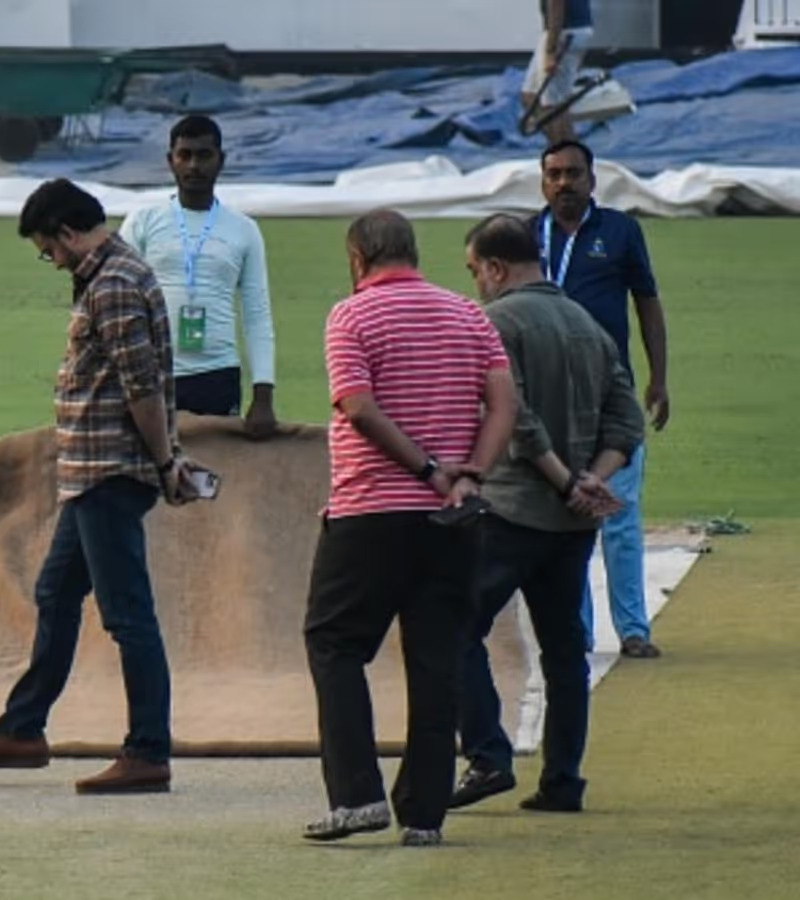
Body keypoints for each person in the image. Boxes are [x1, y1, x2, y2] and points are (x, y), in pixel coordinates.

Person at [0, 178, 204, 794]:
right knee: (56, 593)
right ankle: (22, 729)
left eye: (49, 250)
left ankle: (148, 750)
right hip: (92, 472)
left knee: (128, 615)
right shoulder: (113, 274)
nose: (53, 261)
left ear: (67, 233)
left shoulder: (114, 285)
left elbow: (141, 386)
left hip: (108, 471)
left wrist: (166, 462)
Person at [302, 210, 516, 847]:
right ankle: (424, 814)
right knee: (436, 660)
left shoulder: (351, 316)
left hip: (370, 511)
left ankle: (356, 796)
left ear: (357, 258)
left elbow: (359, 407)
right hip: (453, 518)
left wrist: (426, 467)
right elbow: (504, 404)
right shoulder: (468, 314)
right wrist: (470, 473)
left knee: (335, 644)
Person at [452, 214, 645, 815]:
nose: (476, 284)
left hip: (513, 509)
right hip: (573, 525)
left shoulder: (494, 322)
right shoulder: (587, 324)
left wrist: (565, 482)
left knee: (453, 628)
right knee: (565, 651)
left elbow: (518, 420)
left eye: (474, 271)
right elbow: (627, 421)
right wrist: (594, 479)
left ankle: (487, 753)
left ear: (494, 267)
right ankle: (562, 780)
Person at [533, 140, 669, 659]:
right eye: (554, 175)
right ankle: (578, 633)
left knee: (621, 517)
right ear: (543, 182)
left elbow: (647, 303)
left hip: (613, 393)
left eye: (573, 173)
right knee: (568, 519)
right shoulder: (527, 235)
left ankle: (633, 629)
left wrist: (658, 378)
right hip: (550, 396)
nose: (563, 183)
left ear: (592, 179)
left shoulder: (620, 231)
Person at [119, 115, 277, 436]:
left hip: (218, 374)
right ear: (171, 161)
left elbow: (257, 315)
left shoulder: (244, 229)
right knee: (148, 464)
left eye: (204, 155)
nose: (194, 165)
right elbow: (118, 304)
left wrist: (263, 395)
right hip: (151, 374)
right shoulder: (142, 222)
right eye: (185, 155)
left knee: (216, 468)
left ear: (221, 160)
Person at [524, 0, 595, 143]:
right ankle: (558, 145)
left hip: (564, 33)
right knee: (530, 95)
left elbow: (556, 3)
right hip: (571, 30)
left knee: (554, 107)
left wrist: (550, 51)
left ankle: (568, 150)